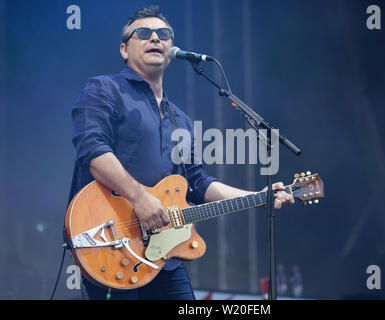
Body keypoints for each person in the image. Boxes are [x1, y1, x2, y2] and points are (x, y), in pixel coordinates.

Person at [69, 5, 294, 300]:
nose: (155, 38)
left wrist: (257, 199)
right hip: (112, 244)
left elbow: (197, 182)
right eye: (144, 33)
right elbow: (93, 151)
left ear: (171, 46)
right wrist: (139, 198)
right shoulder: (104, 89)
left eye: (163, 34)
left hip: (165, 259)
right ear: (124, 49)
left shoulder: (182, 120)